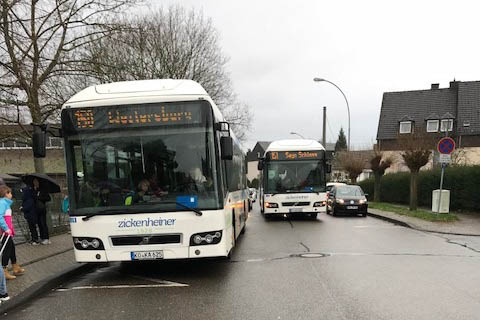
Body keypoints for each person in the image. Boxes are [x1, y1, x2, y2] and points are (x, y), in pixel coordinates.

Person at [0, 185, 25, 280]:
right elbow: (0, 217)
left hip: (8, 231)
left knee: (11, 248)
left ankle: (15, 266)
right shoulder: (3, 203)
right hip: (5, 231)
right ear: (5, 194)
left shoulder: (5, 203)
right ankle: (4, 270)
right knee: (6, 250)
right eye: (9, 192)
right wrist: (6, 228)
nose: (11, 194)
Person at [33, 178, 51, 245]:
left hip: (42, 208)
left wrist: (39, 197)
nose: (35, 183)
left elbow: (48, 198)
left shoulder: (43, 190)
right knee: (39, 224)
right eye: (34, 182)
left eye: (36, 182)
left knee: (43, 223)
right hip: (36, 209)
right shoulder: (35, 190)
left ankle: (46, 238)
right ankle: (42, 237)